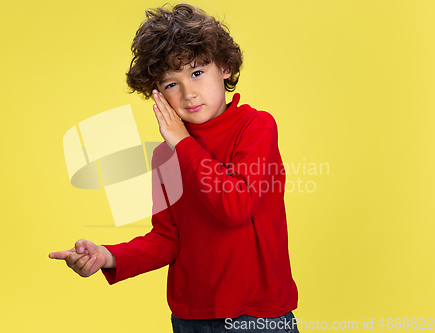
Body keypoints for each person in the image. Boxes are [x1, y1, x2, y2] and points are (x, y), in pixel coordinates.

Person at [49, 3, 299, 332]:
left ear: (224, 67)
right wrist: (107, 257)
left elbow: (236, 206)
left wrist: (182, 143)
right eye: (171, 84)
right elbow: (168, 239)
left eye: (196, 73)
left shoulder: (256, 128)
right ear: (157, 94)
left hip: (256, 316)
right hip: (189, 318)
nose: (188, 93)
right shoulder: (167, 156)